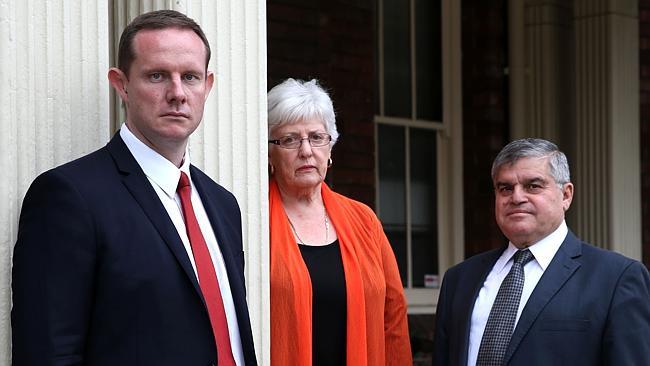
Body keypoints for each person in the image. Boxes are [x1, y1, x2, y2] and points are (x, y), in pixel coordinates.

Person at [12, 10, 257, 365]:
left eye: (190, 77)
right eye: (157, 76)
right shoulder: (69, 197)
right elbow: (48, 352)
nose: (177, 93)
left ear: (208, 85)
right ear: (121, 84)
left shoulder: (223, 204)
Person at [433, 138, 650, 366]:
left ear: (566, 195)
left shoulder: (617, 278)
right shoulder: (459, 280)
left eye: (533, 186)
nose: (516, 197)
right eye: (505, 188)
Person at [267, 78, 412, 365]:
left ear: (330, 148)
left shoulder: (364, 220)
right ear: (270, 152)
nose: (306, 150)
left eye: (317, 137)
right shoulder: (251, 222)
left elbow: (392, 316)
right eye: (290, 139)